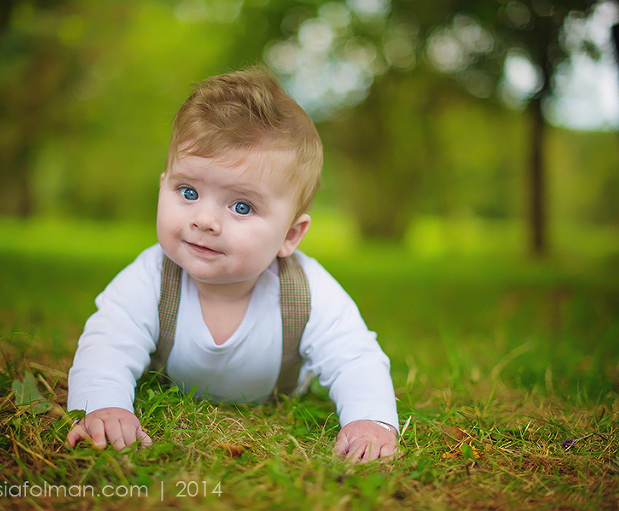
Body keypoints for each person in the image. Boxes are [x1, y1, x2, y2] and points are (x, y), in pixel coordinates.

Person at [66, 67, 399, 462]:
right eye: (187, 191)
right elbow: (108, 341)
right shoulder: (153, 277)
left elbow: (355, 356)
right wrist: (104, 404)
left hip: (279, 391)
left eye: (241, 206)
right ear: (163, 186)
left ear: (290, 236)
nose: (204, 219)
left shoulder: (307, 291)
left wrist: (370, 420)